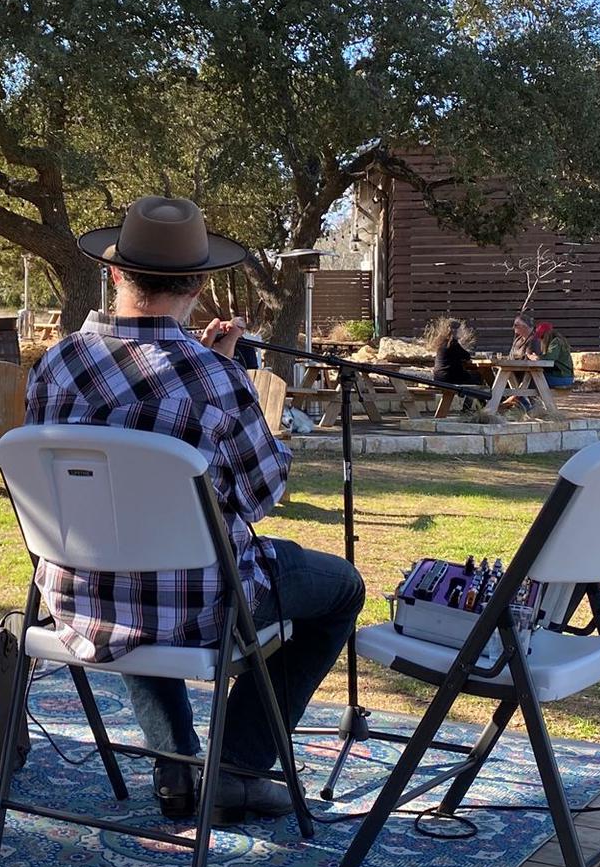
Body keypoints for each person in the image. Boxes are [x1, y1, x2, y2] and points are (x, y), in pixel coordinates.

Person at [31, 195, 363, 823]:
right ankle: (234, 772)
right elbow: (262, 497)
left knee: (127, 558)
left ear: (114, 273)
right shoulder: (214, 378)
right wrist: (232, 375)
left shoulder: (55, 365)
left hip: (80, 593)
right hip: (198, 606)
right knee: (342, 591)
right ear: (200, 283)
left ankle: (179, 771)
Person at [425, 316, 486, 390]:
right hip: (450, 378)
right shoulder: (453, 344)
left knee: (472, 376)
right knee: (478, 376)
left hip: (439, 378)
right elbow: (467, 356)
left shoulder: (442, 342)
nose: (462, 332)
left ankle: (473, 401)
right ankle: (487, 400)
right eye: (461, 330)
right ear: (455, 331)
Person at [535, 321, 575, 388]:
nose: (540, 340)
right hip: (561, 376)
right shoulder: (554, 342)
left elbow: (550, 358)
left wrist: (537, 358)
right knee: (533, 379)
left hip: (563, 377)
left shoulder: (556, 342)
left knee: (534, 380)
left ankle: (525, 398)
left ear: (546, 335)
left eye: (541, 337)